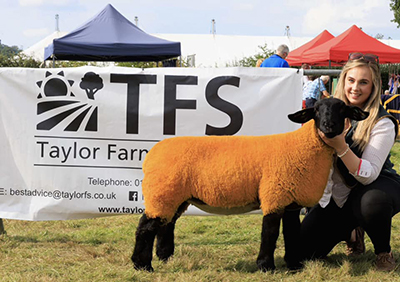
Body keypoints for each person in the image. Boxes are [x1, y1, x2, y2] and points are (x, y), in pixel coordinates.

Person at [300, 52, 400, 271]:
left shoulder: (383, 122)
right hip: (338, 193)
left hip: (374, 186)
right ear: (343, 80)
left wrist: (340, 145)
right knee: (303, 252)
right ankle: (353, 231)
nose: (356, 88)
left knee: (372, 201)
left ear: (374, 86)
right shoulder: (324, 111)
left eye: (364, 82)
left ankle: (383, 252)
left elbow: (370, 174)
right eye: (351, 80)